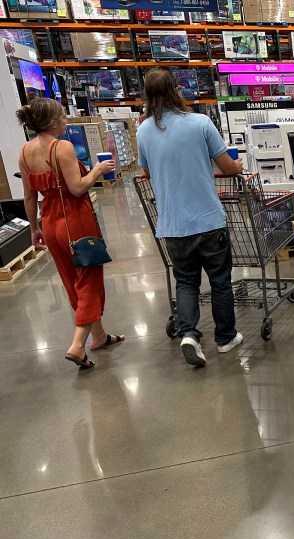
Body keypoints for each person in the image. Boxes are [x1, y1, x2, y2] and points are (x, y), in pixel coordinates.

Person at [137, 68, 244, 367]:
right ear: (176, 90)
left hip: (172, 224)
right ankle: (225, 338)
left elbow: (147, 172)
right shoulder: (200, 122)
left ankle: (189, 335)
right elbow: (227, 166)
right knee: (220, 282)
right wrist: (237, 164)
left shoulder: (143, 130)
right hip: (209, 220)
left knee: (186, 283)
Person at [16, 98, 123, 369]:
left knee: (70, 281)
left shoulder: (25, 152)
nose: (66, 121)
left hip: (50, 224)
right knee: (89, 281)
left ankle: (98, 337)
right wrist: (98, 170)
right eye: (63, 117)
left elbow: (29, 197)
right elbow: (77, 188)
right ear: (52, 123)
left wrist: (34, 228)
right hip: (75, 221)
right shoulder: (61, 147)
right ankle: (77, 344)